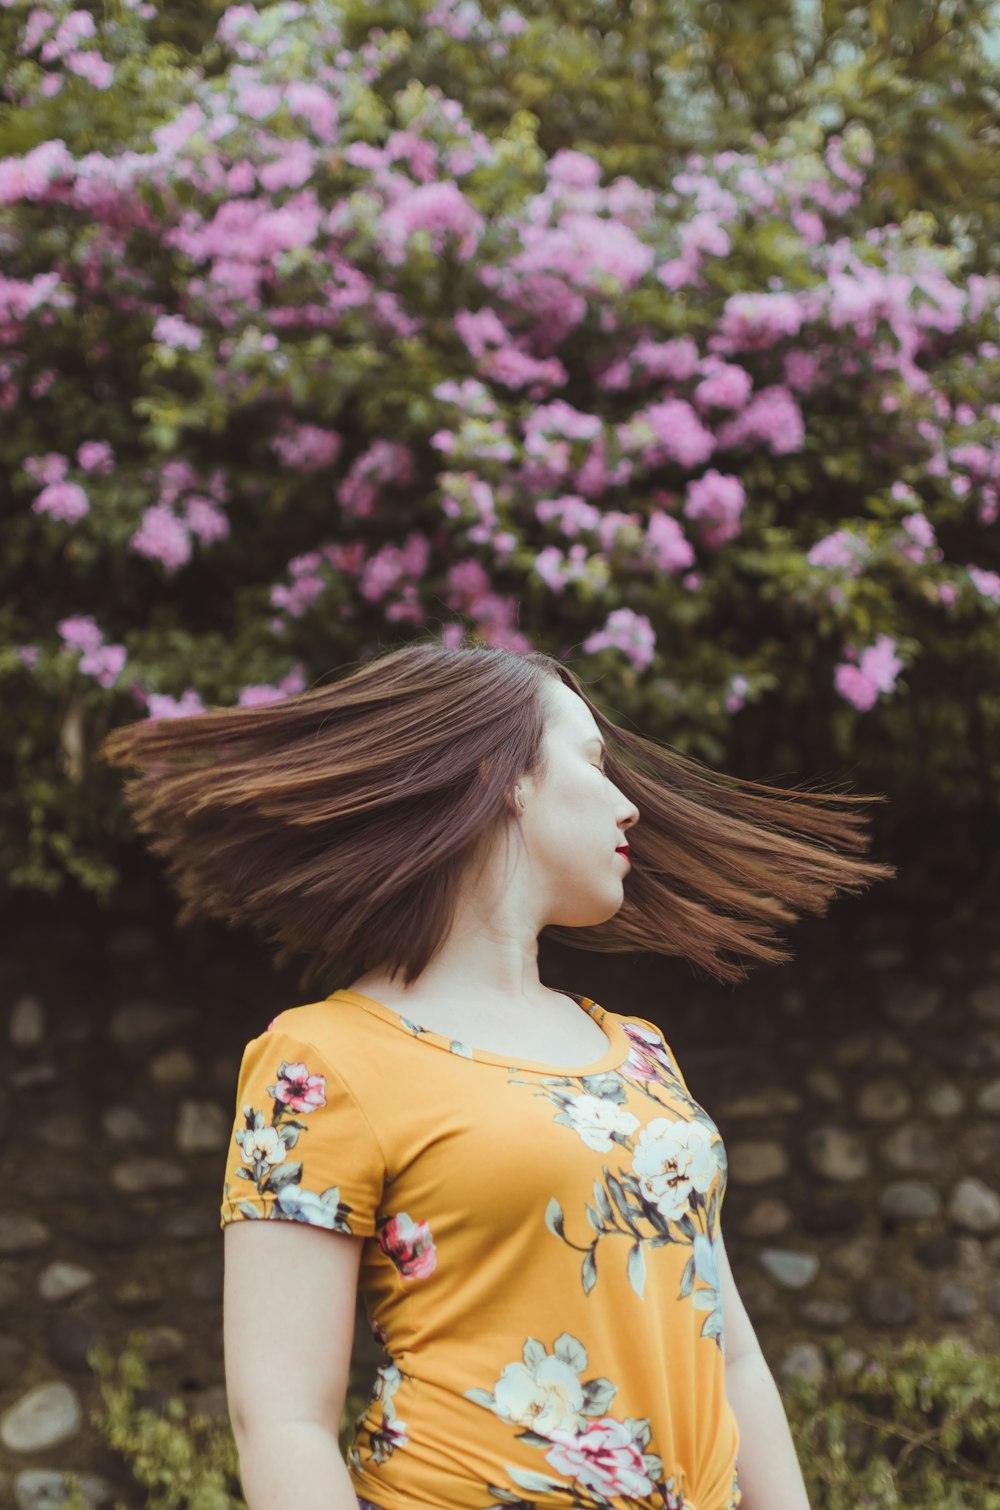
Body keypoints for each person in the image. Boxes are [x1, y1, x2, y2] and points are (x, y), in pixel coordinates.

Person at [100, 639, 895, 1510]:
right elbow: (282, 1420)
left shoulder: (640, 1054)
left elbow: (728, 1350)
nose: (630, 807)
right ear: (501, 774)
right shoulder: (323, 1059)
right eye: (594, 762)